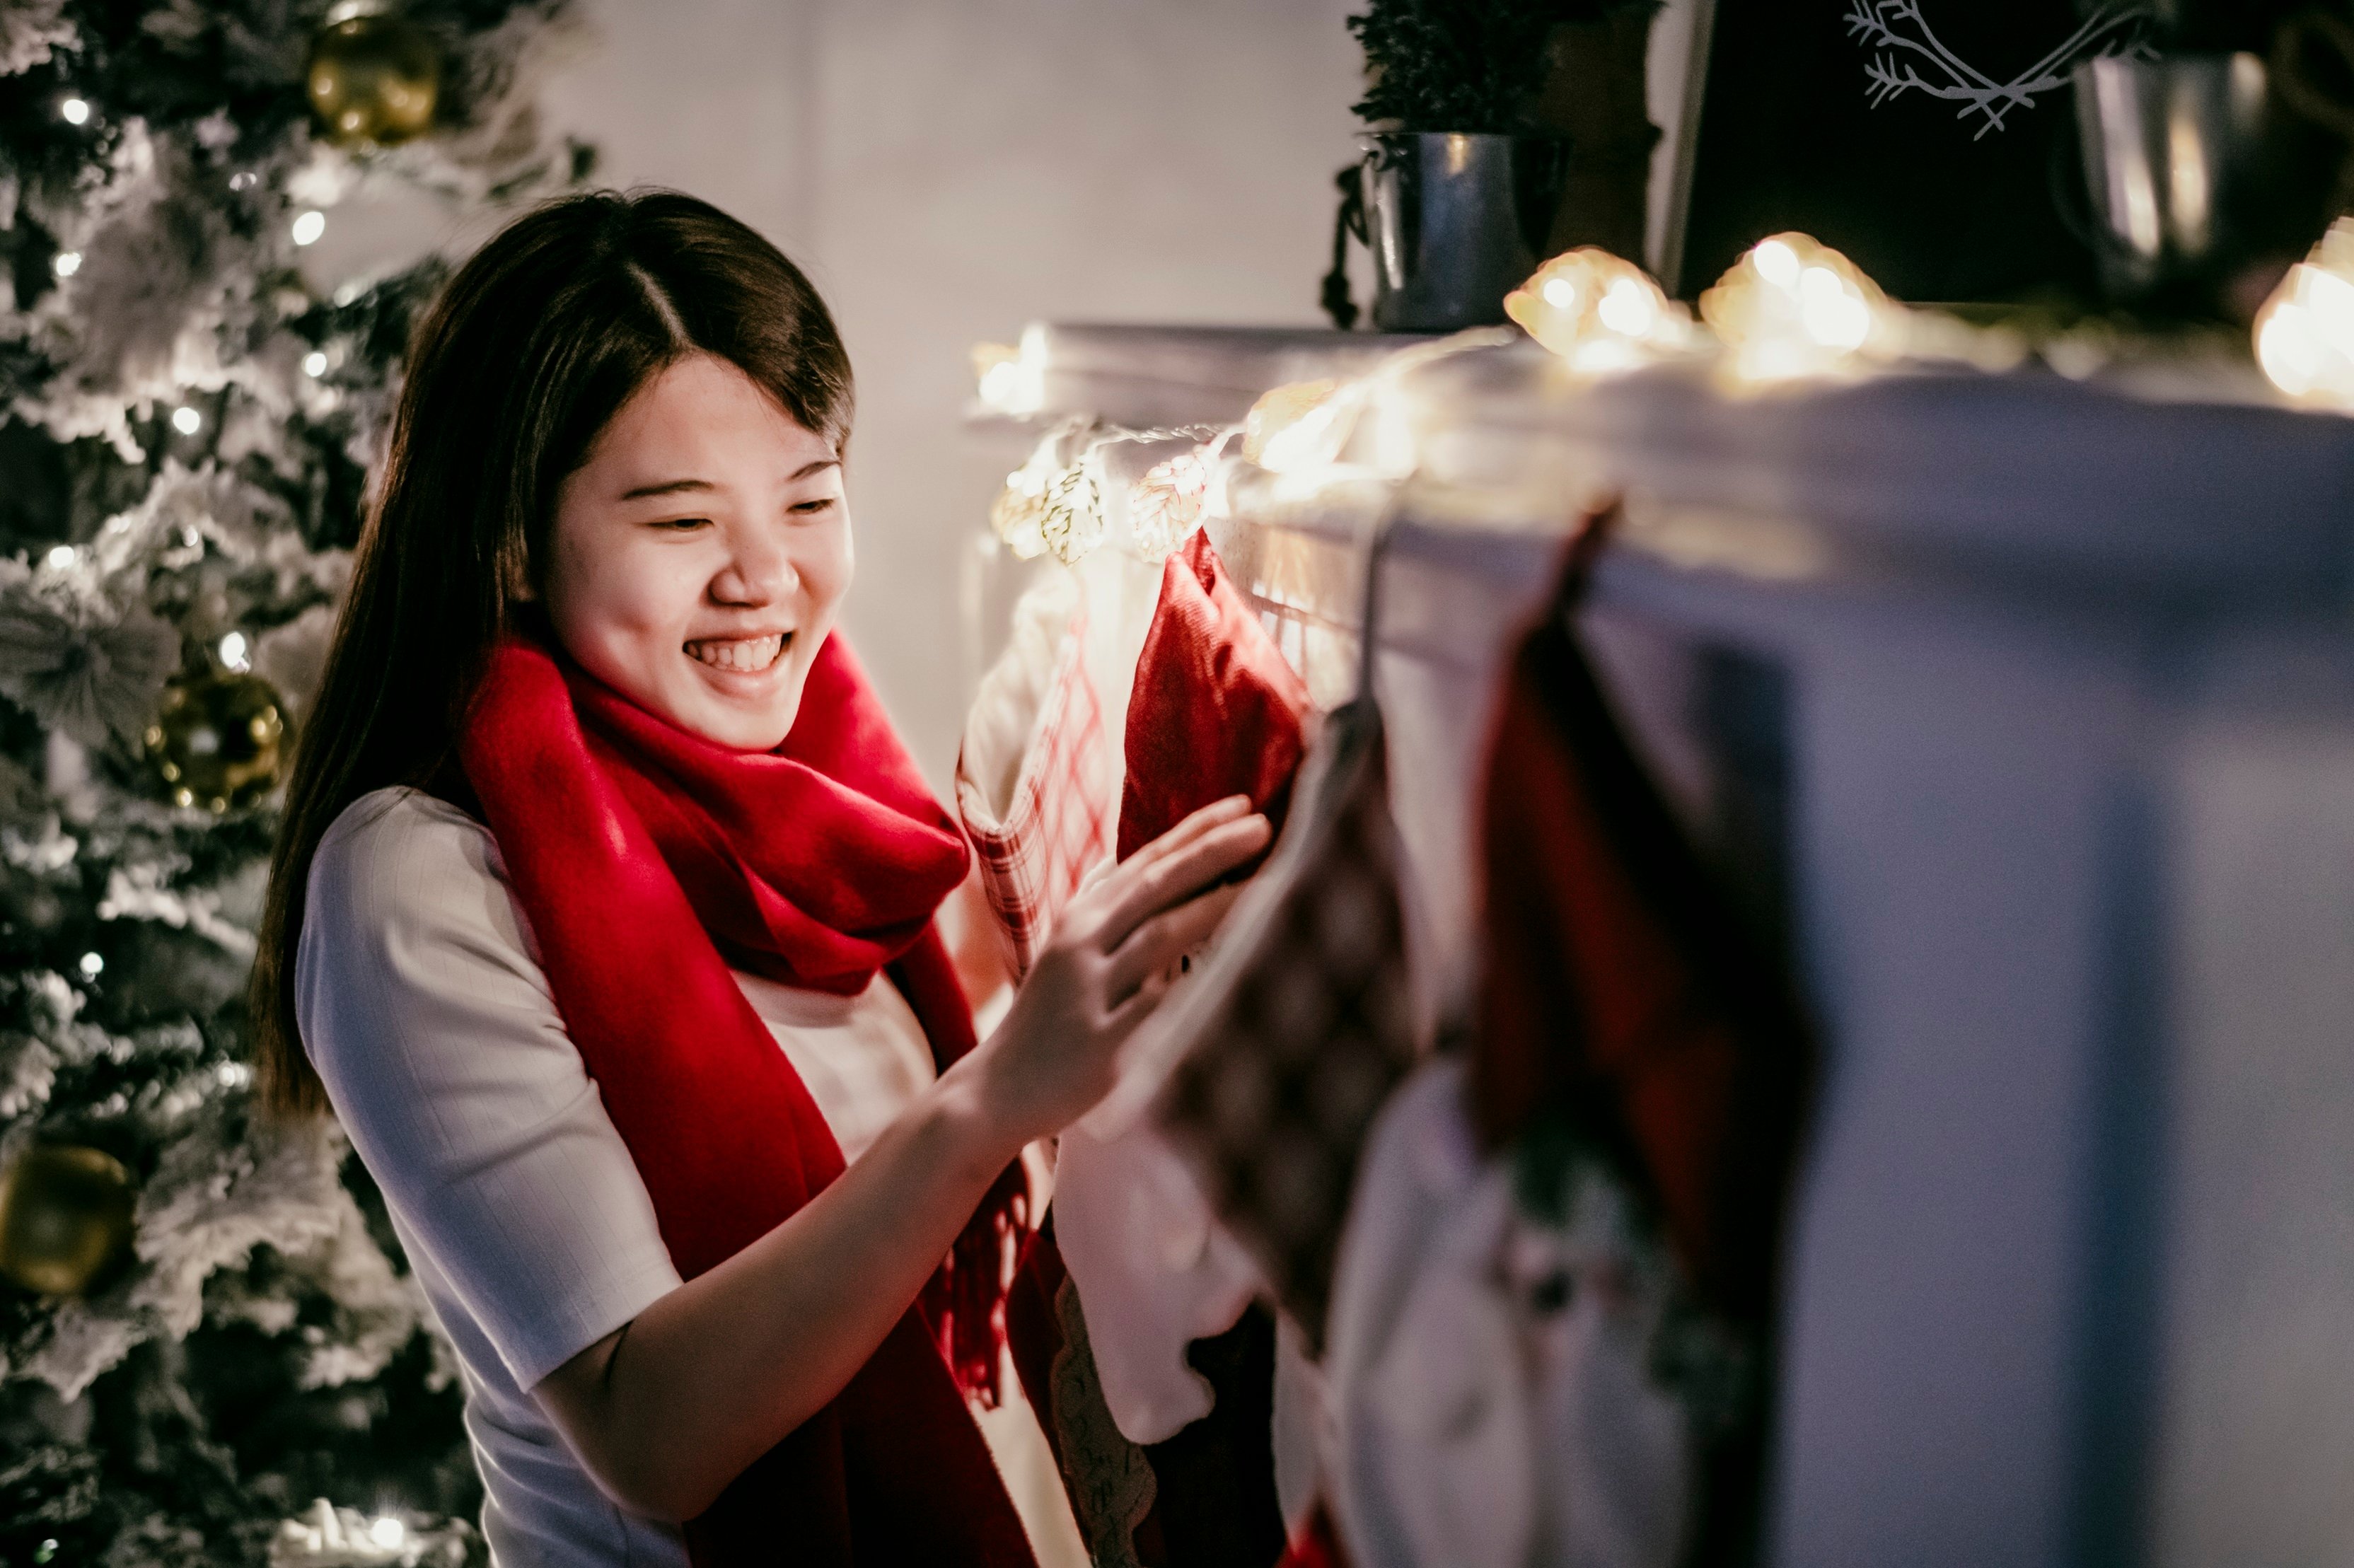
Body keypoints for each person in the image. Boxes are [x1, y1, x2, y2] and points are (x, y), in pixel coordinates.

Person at [246, 188, 1269, 1568]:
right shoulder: (417, 874)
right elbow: (649, 1428)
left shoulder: (809, 786)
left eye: (807, 499)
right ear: (512, 536)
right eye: (677, 522)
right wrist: (991, 1101)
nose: (765, 578)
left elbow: (923, 1036)